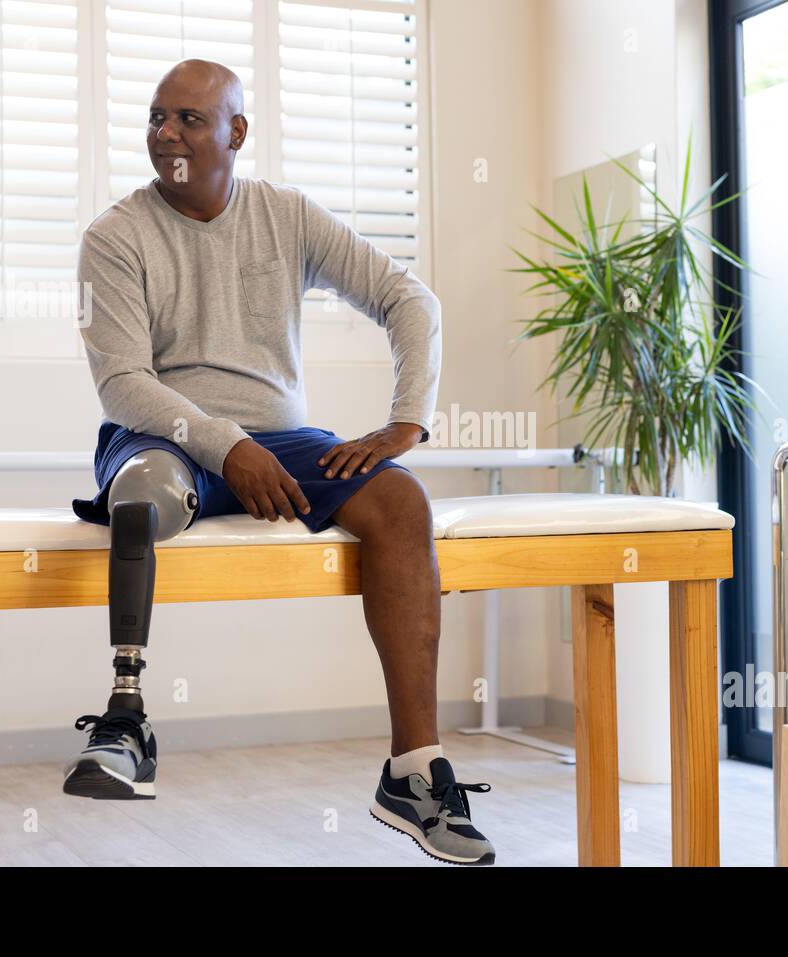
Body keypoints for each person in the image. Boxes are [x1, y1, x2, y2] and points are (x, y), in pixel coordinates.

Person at [64, 58, 493, 866]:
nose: (166, 133)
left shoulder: (287, 216)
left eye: (189, 118)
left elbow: (411, 300)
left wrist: (407, 422)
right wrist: (229, 444)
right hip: (166, 435)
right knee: (141, 490)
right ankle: (126, 721)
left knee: (404, 504)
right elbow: (124, 384)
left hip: (285, 440)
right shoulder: (115, 237)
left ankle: (413, 772)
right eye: (157, 116)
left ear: (236, 132)